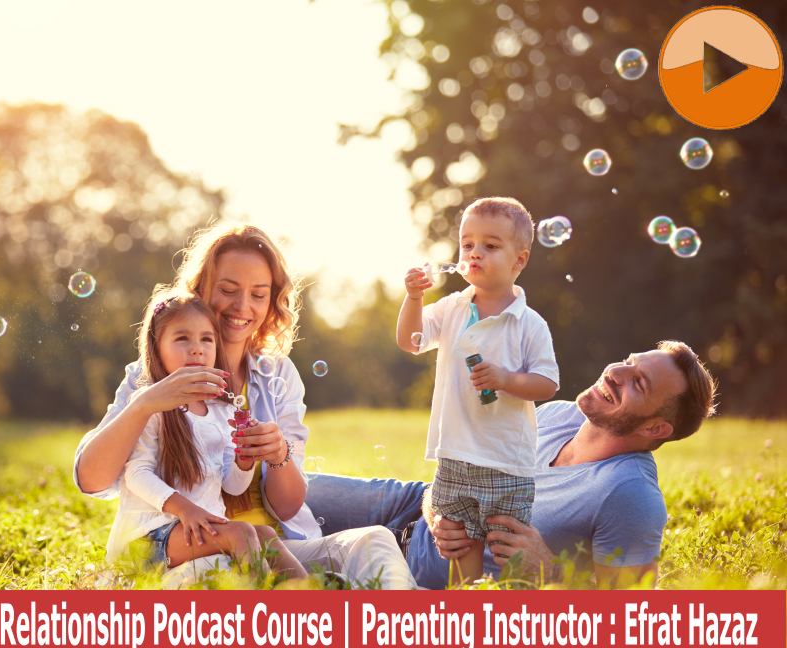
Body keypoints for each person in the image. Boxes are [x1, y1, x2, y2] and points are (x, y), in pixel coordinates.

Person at [74, 223, 415, 589]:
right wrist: (144, 404)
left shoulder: (277, 374)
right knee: (225, 574)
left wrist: (276, 454)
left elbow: (283, 507)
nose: (242, 307)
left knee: (376, 540)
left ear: (272, 301)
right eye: (228, 290)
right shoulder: (155, 376)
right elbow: (92, 479)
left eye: (259, 294)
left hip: (273, 545)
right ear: (201, 290)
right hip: (190, 548)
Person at [306, 340, 717, 589]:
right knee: (275, 485)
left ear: (657, 427)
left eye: (638, 382)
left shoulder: (630, 496)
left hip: (420, 572)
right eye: (629, 361)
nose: (615, 372)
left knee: (277, 553)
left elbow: (633, 626)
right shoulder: (559, 414)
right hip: (411, 505)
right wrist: (435, 502)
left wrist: (552, 574)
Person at [396, 197, 559, 582]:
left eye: (490, 245)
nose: (474, 253)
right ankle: (469, 601)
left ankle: (516, 605)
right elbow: (410, 340)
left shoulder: (529, 324)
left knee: (507, 543)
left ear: (519, 260)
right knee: (460, 540)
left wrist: (505, 380)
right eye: (467, 244)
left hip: (506, 458)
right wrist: (414, 298)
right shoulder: (453, 307)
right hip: (455, 452)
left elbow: (547, 383)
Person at [119, 291, 305, 579]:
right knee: (241, 532)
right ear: (156, 350)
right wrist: (185, 509)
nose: (197, 349)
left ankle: (313, 593)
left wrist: (244, 460)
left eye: (206, 339)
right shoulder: (150, 404)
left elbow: (232, 487)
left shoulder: (221, 411)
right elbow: (135, 474)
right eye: (182, 339)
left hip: (199, 530)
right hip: (150, 537)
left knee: (266, 535)